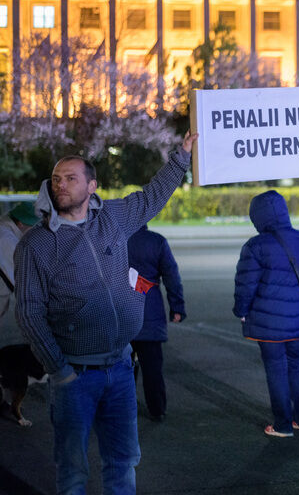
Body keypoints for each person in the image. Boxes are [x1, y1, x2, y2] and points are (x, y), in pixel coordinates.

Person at [14, 131, 197, 494]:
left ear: (92, 185)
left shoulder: (113, 217)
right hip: (74, 377)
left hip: (121, 367)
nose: (60, 185)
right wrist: (60, 371)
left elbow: (152, 196)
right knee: (72, 469)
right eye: (55, 179)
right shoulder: (36, 244)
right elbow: (30, 313)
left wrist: (182, 156)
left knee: (123, 461)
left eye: (70, 178)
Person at [234, 190, 299, 437]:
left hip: (266, 323)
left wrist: (241, 311)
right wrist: (297, 300)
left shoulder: (255, 246)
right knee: (295, 366)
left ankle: (282, 425)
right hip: (297, 320)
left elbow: (245, 285)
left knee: (276, 370)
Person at [128, 224, 186, 422]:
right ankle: (157, 409)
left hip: (120, 314)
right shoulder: (157, 241)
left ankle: (123, 406)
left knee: (121, 366)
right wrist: (177, 307)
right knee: (152, 368)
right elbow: (172, 276)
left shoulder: (113, 239)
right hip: (149, 311)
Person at [0, 202, 44, 427]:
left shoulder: (7, 229)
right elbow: (20, 280)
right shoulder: (6, 239)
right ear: (21, 223)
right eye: (32, 226)